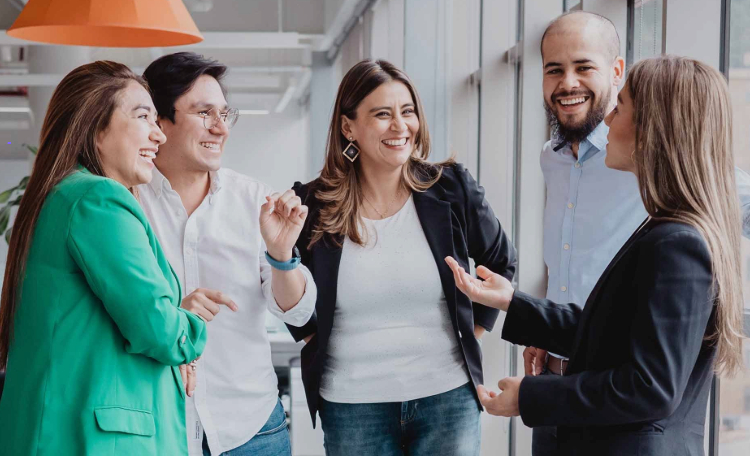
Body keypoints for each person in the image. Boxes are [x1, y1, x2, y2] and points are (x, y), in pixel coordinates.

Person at [447, 55, 746, 456]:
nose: (607, 121)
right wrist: (510, 301)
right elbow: (611, 332)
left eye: (620, 108)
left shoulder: (678, 243)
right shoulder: (669, 230)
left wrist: (531, 397)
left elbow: (649, 388)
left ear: (651, 131)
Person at [524, 10, 750, 455]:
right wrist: (538, 326)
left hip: (618, 405)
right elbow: (570, 267)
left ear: (616, 71)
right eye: (555, 69)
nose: (567, 82)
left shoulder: (666, 191)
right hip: (555, 383)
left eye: (583, 66)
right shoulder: (550, 158)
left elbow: (715, 185)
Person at [285, 59, 517, 456]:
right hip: (353, 404)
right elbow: (298, 312)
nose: (399, 126)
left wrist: (471, 336)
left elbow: (500, 262)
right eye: (382, 114)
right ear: (348, 127)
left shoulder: (451, 187)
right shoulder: (312, 204)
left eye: (407, 112)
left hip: (447, 398)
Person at [0, 61, 207, 455]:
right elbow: (158, 329)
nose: (159, 134)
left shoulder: (62, 195)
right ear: (96, 129)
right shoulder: (98, 199)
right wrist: (190, 327)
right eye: (142, 116)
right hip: (99, 440)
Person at [139, 52, 316, 456]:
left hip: (251, 431)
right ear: (159, 121)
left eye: (225, 114)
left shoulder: (251, 199)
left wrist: (282, 254)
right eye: (204, 113)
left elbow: (298, 312)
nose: (221, 128)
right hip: (157, 429)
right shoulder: (128, 205)